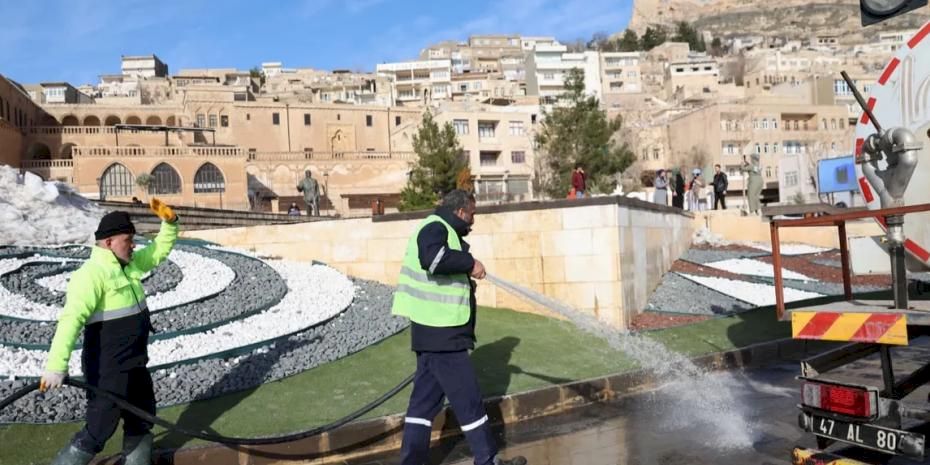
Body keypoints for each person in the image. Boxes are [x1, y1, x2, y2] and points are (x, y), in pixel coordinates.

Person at [392, 190, 526, 465]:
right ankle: (487, 460)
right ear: (461, 212)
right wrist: (470, 263)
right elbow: (433, 260)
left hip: (432, 332)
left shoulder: (440, 229)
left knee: (423, 405)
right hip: (444, 332)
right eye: (472, 215)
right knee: (469, 401)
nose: (472, 222)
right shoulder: (434, 228)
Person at [40, 199, 179, 465]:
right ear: (108, 243)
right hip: (107, 368)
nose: (133, 245)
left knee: (141, 417)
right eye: (128, 239)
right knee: (99, 428)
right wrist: (56, 366)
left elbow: (159, 250)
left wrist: (170, 224)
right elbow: (70, 320)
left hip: (136, 362)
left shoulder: (129, 265)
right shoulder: (91, 275)